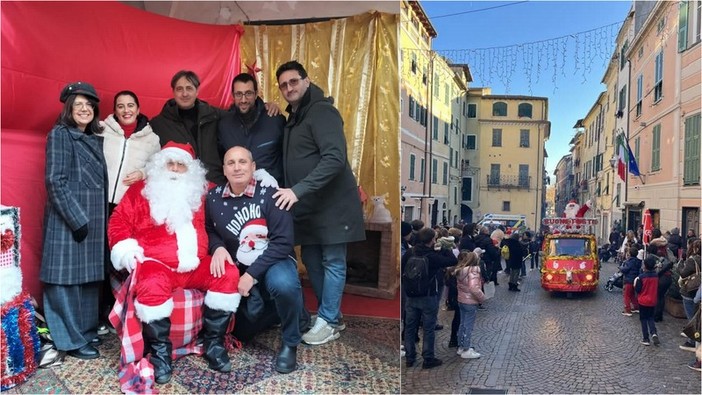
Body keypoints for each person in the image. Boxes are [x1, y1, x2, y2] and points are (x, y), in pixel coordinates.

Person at [108, 142, 241, 384]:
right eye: (171, 163)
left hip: (198, 265)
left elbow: (228, 210)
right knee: (151, 281)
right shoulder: (140, 191)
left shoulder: (205, 192)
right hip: (157, 264)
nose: (175, 169)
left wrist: (220, 248)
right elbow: (118, 222)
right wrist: (127, 252)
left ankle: (214, 343)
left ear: (190, 170)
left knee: (228, 273)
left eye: (181, 165)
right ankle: (160, 353)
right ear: (161, 165)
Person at [272, 60, 365, 345]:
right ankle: (331, 316)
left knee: (333, 261)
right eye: (284, 85)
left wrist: (297, 190)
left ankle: (327, 319)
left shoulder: (322, 111)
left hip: (332, 204)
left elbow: (335, 159)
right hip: (309, 206)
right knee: (311, 259)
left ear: (306, 81)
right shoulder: (295, 117)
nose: (289, 88)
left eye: (294, 82)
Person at [205, 146, 306, 374]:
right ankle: (292, 311)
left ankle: (290, 342)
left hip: (273, 259)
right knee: (243, 332)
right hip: (239, 264)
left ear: (253, 167)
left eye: (242, 162)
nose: (237, 167)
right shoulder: (213, 197)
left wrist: (251, 276)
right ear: (224, 169)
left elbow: (282, 242)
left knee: (284, 284)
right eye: (231, 163)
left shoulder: (270, 194)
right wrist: (218, 247)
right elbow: (208, 229)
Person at [41, 81, 108, 360]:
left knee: (88, 282)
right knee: (65, 283)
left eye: (88, 105)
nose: (84, 109)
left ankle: (85, 331)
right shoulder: (60, 135)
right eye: (78, 105)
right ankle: (70, 340)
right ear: (68, 109)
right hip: (71, 222)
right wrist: (77, 220)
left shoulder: (91, 138)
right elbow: (55, 181)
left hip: (90, 223)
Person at [99, 90, 160, 332]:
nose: (126, 110)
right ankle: (101, 313)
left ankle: (122, 310)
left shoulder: (151, 138)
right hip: (101, 203)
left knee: (122, 261)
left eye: (130, 105)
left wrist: (143, 174)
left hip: (127, 208)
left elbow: (157, 168)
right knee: (100, 260)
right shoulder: (102, 130)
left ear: (138, 107)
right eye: (121, 106)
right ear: (115, 110)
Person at [150, 70, 225, 185]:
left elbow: (239, 117)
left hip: (215, 186)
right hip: (178, 190)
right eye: (179, 89)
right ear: (173, 92)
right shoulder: (158, 124)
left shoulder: (215, 116)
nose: (184, 94)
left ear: (197, 91)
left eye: (189, 88)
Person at [402, 227, 458, 369]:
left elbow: (403, 269)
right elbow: (452, 261)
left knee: (410, 327)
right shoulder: (432, 256)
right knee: (428, 327)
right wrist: (446, 248)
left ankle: (410, 357)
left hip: (411, 294)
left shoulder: (410, 252)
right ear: (432, 240)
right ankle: (428, 358)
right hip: (428, 295)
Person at [218, 73, 286, 185]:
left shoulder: (275, 120)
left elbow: (288, 156)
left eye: (248, 93)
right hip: (237, 195)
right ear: (233, 96)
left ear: (256, 94)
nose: (243, 99)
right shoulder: (223, 124)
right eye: (239, 94)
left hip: (271, 193)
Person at [454, 251, 485, 359]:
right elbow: (474, 288)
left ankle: (461, 346)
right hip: (470, 301)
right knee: (468, 325)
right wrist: (482, 297)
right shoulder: (474, 271)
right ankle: (466, 348)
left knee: (462, 324)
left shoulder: (461, 270)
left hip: (462, 300)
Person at [677, 239, 700, 351]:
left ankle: (692, 341)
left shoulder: (693, 260)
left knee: (692, 318)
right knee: (696, 316)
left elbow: (683, 273)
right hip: (698, 290)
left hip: (690, 290)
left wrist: (681, 262)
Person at [634, 256, 660, 346]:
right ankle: (654, 333)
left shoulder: (641, 277)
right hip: (653, 300)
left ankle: (646, 338)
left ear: (645, 266)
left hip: (643, 301)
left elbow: (638, 289)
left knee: (643, 319)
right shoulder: (656, 276)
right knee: (651, 318)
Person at [620, 247, 642, 316]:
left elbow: (625, 269)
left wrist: (621, 268)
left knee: (626, 295)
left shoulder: (629, 261)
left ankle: (627, 310)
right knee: (632, 294)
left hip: (629, 280)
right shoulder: (638, 261)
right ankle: (636, 307)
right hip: (635, 280)